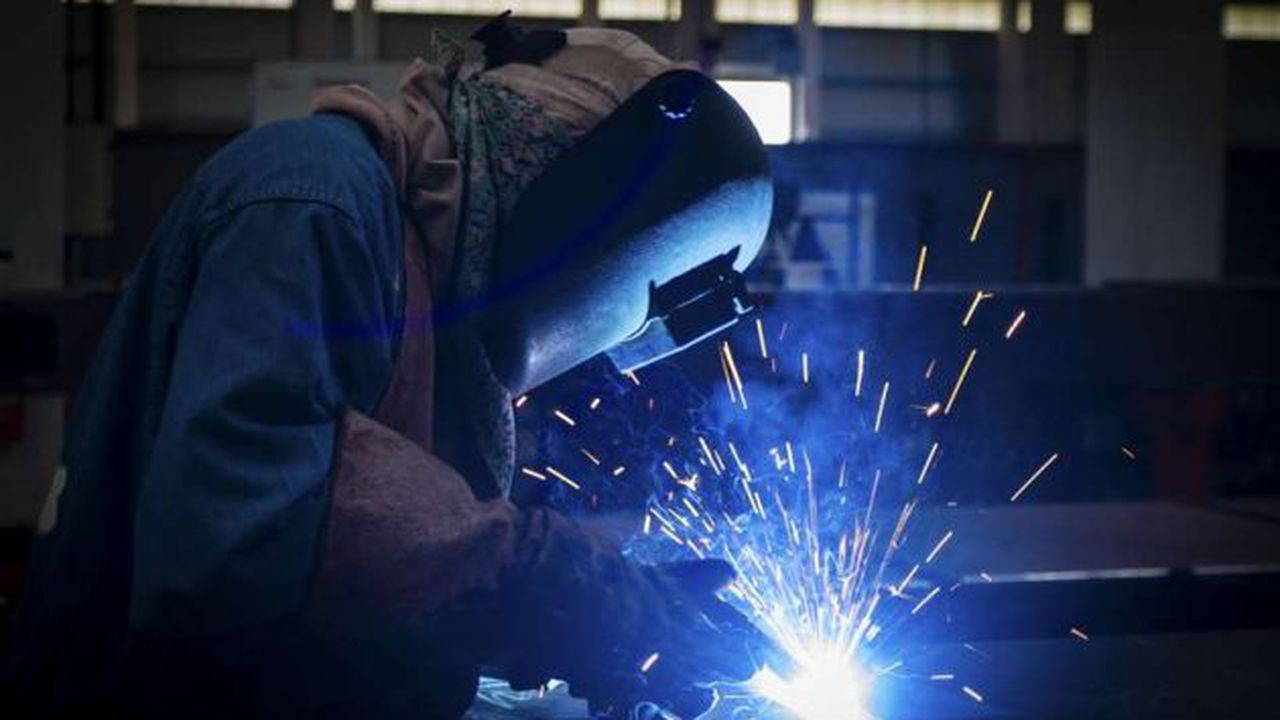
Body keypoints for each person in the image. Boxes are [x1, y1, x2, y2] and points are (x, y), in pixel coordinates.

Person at [2, 17, 774, 719]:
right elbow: (248, 528)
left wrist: (597, 616)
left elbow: (404, 561)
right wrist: (555, 584)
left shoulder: (441, 305)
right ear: (579, 192)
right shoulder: (313, 196)